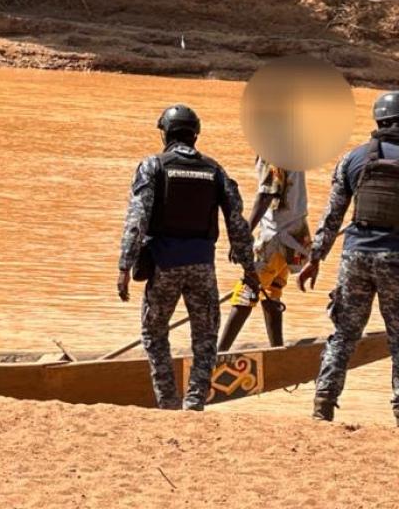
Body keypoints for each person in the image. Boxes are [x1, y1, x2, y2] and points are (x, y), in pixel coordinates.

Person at [298, 91, 399, 429]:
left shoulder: (351, 160)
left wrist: (316, 258)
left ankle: (323, 404)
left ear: (378, 121)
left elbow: (331, 217)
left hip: (354, 258)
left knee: (343, 334)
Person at [116, 105, 255, 411]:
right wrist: (249, 268)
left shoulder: (153, 166)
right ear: (195, 135)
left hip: (164, 266)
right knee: (205, 338)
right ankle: (194, 402)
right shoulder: (214, 170)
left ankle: (167, 402)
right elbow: (237, 222)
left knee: (154, 333)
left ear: (165, 133)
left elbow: (137, 220)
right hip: (202, 267)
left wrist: (125, 267)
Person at [218, 158, 310, 350]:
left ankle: (218, 355)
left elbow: (267, 195)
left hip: (276, 237)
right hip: (297, 236)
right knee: (273, 292)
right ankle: (277, 350)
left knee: (246, 292)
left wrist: (244, 234)